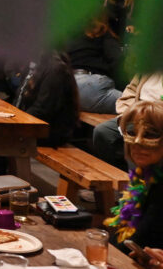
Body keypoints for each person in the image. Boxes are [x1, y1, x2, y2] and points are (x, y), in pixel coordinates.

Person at [106, 100, 163, 248]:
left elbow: (140, 239)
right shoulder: (144, 175)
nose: (137, 142)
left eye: (150, 134)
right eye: (131, 132)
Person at [93, 73, 163, 169]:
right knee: (103, 131)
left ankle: (139, 174)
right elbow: (130, 92)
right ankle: (116, 173)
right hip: (136, 113)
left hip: (158, 119)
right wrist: (128, 114)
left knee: (137, 143)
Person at [15, 50, 79, 146]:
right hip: (32, 125)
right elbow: (19, 96)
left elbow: (42, 110)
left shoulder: (56, 68)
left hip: (48, 132)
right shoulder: (33, 62)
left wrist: (15, 125)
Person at [64, 14, 123, 113]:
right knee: (137, 105)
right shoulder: (102, 32)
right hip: (91, 86)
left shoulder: (69, 33)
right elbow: (117, 62)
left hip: (69, 87)